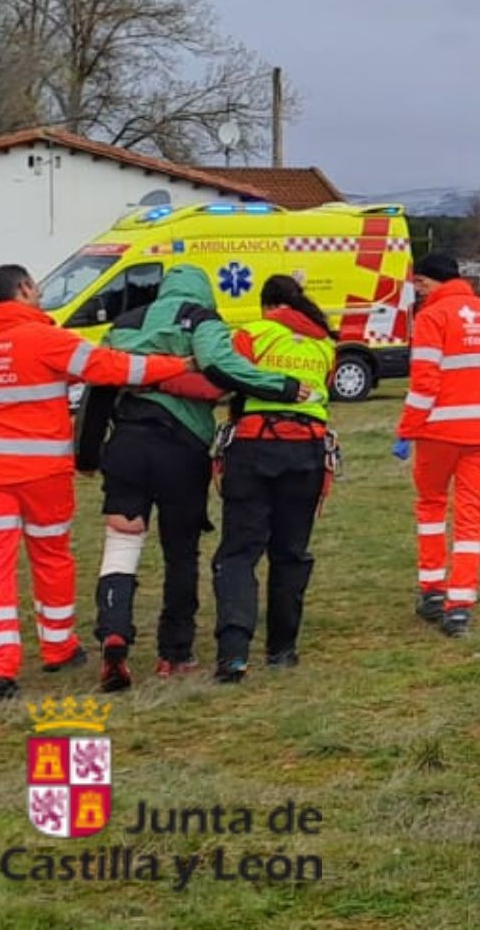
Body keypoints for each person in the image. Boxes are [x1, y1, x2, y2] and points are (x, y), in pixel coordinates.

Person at [0, 264, 191, 701]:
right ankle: (58, 646)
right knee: (50, 557)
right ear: (25, 288)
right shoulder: (47, 339)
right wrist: (174, 365)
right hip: (42, 474)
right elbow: (110, 367)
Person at [83, 264, 309, 691]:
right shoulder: (201, 320)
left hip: (126, 444)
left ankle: (114, 634)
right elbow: (222, 369)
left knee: (122, 540)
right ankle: (175, 653)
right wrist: (280, 386)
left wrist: (87, 454)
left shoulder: (125, 323)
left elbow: (101, 385)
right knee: (180, 552)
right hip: (180, 451)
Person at [209, 274, 338, 683]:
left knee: (238, 554)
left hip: (254, 447)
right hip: (308, 452)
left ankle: (233, 654)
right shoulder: (324, 345)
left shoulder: (252, 334)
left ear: (267, 306)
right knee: (290, 552)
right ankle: (282, 650)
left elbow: (227, 381)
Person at [395, 252, 480, 637]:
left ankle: (432, 591)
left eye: (420, 285)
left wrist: (407, 429)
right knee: (471, 521)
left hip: (438, 435)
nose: (418, 292)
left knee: (432, 509)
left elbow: (425, 384)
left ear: (430, 282)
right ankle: (460, 606)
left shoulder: (432, 318)